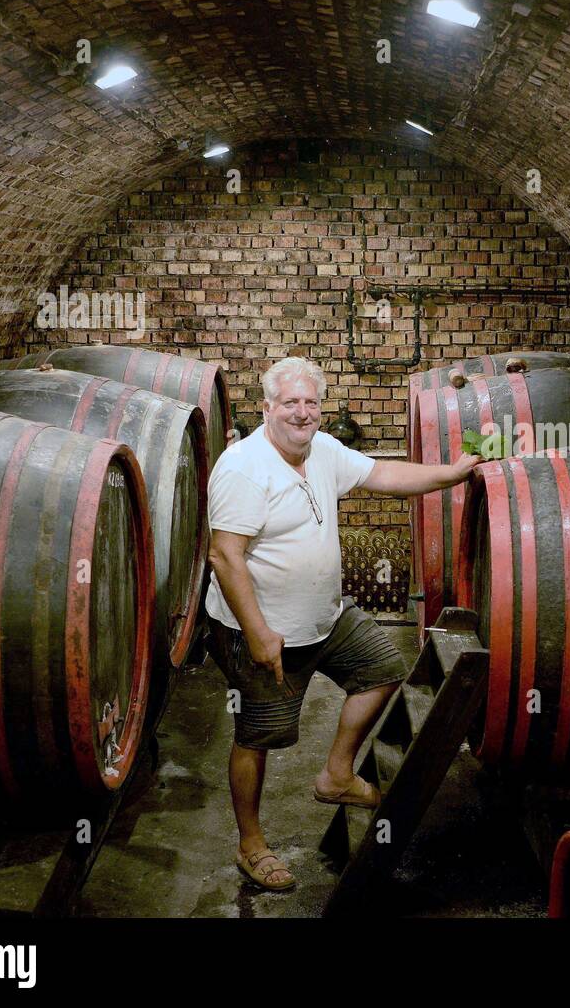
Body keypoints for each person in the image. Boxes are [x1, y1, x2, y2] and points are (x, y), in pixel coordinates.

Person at [204, 356, 480, 891]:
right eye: (290, 403)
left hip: (327, 617)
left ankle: (335, 774)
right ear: (267, 408)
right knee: (258, 737)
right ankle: (251, 844)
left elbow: (383, 474)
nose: (302, 414)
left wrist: (452, 473)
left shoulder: (323, 450)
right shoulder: (242, 468)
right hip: (263, 629)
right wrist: (260, 634)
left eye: (310, 403)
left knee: (384, 666)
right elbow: (224, 557)